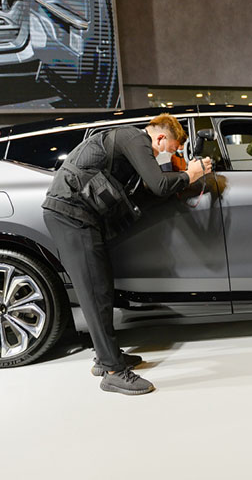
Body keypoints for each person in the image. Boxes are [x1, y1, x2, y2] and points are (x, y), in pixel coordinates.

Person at [41, 113, 212, 395]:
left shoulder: (129, 144)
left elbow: (148, 189)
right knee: (95, 293)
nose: (166, 155)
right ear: (160, 137)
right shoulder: (135, 138)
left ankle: (107, 357)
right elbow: (158, 184)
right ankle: (112, 372)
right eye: (169, 149)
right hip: (70, 217)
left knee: (102, 289)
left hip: (79, 217)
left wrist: (181, 176)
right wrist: (190, 174)